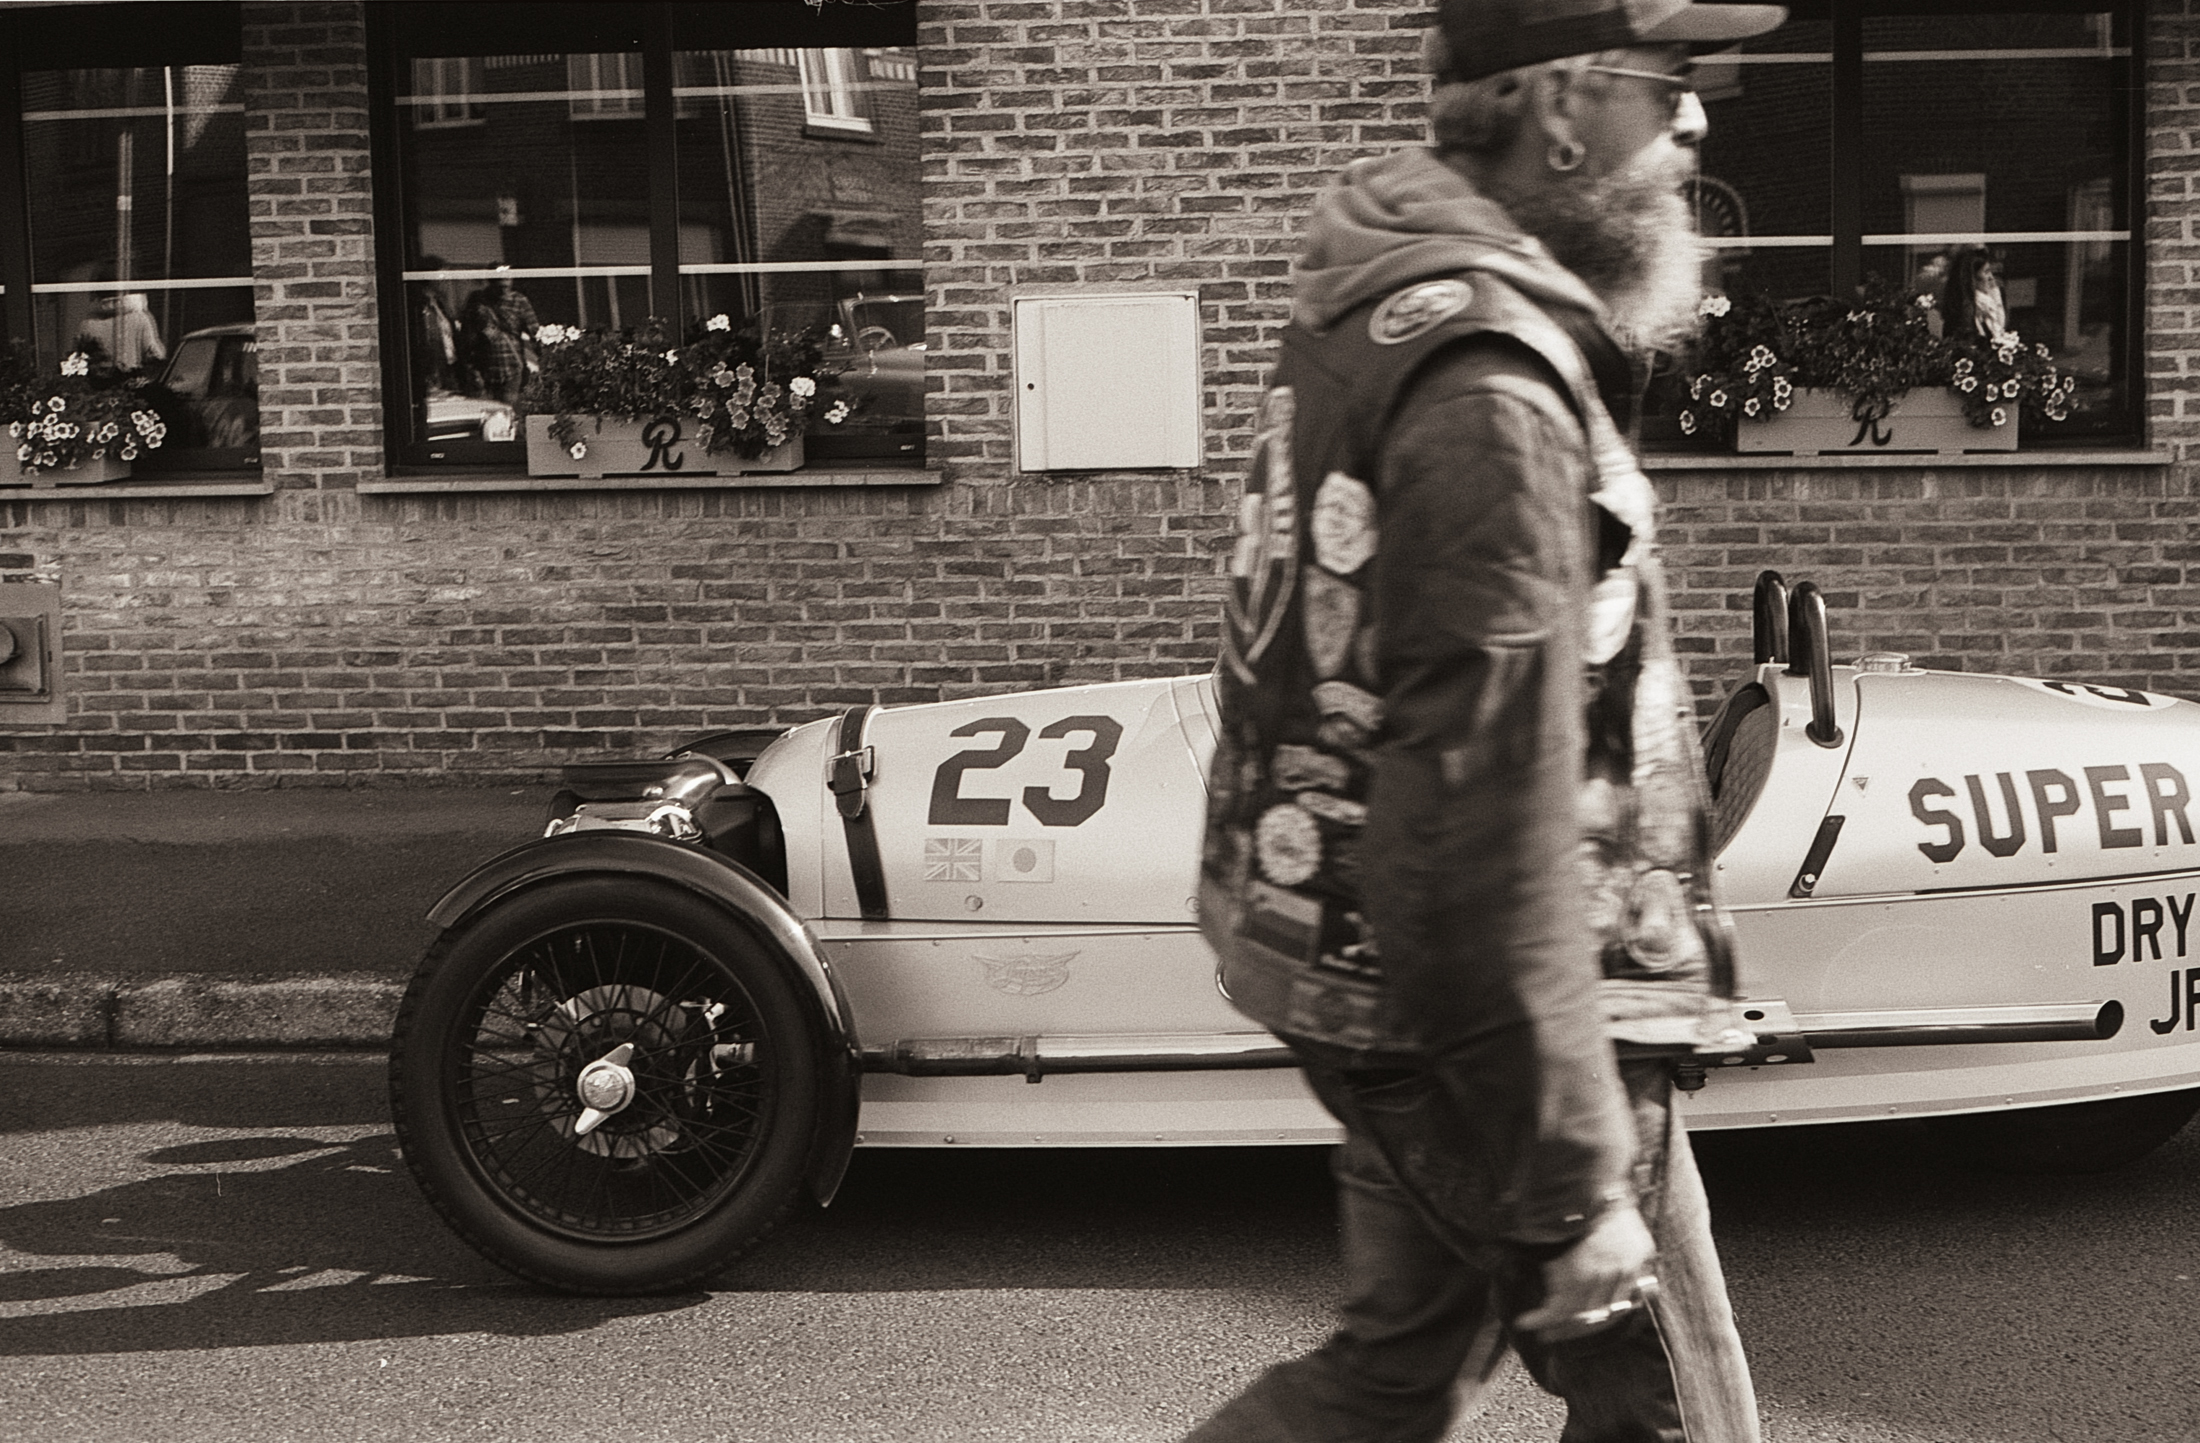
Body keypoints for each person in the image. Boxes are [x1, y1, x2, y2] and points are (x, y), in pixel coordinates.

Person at [1191, 2, 1785, 1440]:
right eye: (1671, 81)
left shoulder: (1377, 298)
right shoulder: (1489, 386)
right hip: (1506, 1012)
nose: (1698, 116)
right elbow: (1475, 816)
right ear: (1566, 106)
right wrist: (1572, 1178)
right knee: (1682, 1422)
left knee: (1390, 1379)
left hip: (1374, 975)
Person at [460, 267, 540, 405]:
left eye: (507, 280)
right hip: (484, 369)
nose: (504, 286)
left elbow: (534, 330)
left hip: (512, 366)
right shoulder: (478, 301)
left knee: (509, 410)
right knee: (489, 413)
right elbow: (467, 334)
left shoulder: (519, 300)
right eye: (500, 281)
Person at [73, 291, 167, 374]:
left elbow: (76, 361)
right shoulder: (140, 319)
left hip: (96, 387)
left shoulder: (87, 323)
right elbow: (155, 355)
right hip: (130, 384)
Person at [1941, 244, 2007, 343]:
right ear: (1972, 279)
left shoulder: (1990, 306)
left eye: (1991, 272)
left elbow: (2000, 329)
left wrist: (1996, 297)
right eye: (1986, 272)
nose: (1991, 277)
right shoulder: (1962, 314)